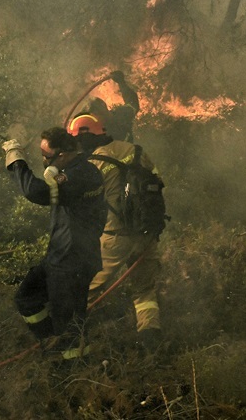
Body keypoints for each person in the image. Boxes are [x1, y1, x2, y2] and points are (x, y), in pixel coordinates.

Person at [2, 127, 105, 362]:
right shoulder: (72, 170)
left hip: (72, 260)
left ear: (63, 154)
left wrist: (16, 161)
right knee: (26, 297)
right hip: (60, 256)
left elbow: (36, 191)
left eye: (46, 156)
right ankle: (50, 340)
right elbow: (55, 183)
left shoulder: (80, 175)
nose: (43, 160)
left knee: (68, 324)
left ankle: (76, 372)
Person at [68, 113, 166, 351]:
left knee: (84, 290)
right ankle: (150, 341)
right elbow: (157, 179)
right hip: (146, 234)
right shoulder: (135, 150)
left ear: (83, 137)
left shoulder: (93, 164)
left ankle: (71, 343)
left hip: (114, 238)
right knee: (144, 290)